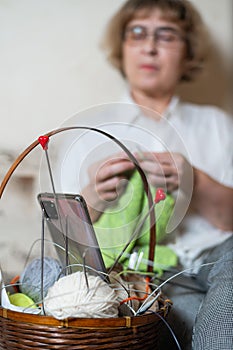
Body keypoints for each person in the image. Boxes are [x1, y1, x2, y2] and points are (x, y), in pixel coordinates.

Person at [55, 0, 233, 349]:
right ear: (122, 48)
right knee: (178, 320)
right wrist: (94, 195)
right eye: (138, 33)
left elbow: (230, 222)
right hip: (148, 273)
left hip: (219, 259)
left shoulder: (217, 124)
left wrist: (194, 180)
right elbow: (66, 244)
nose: (150, 46)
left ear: (187, 51)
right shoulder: (89, 130)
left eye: (166, 35)